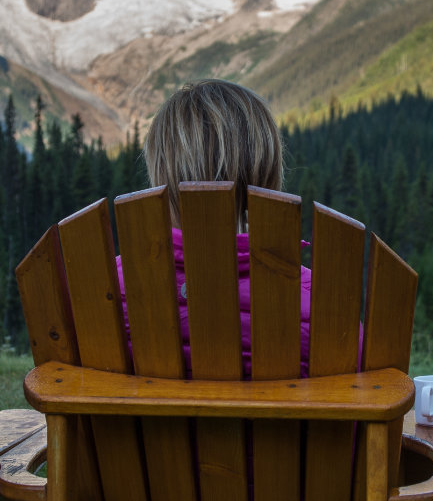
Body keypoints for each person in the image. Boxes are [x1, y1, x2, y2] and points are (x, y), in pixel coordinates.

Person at [126, 79, 311, 376]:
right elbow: (358, 415)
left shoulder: (102, 293)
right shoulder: (322, 305)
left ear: (160, 170)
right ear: (267, 168)